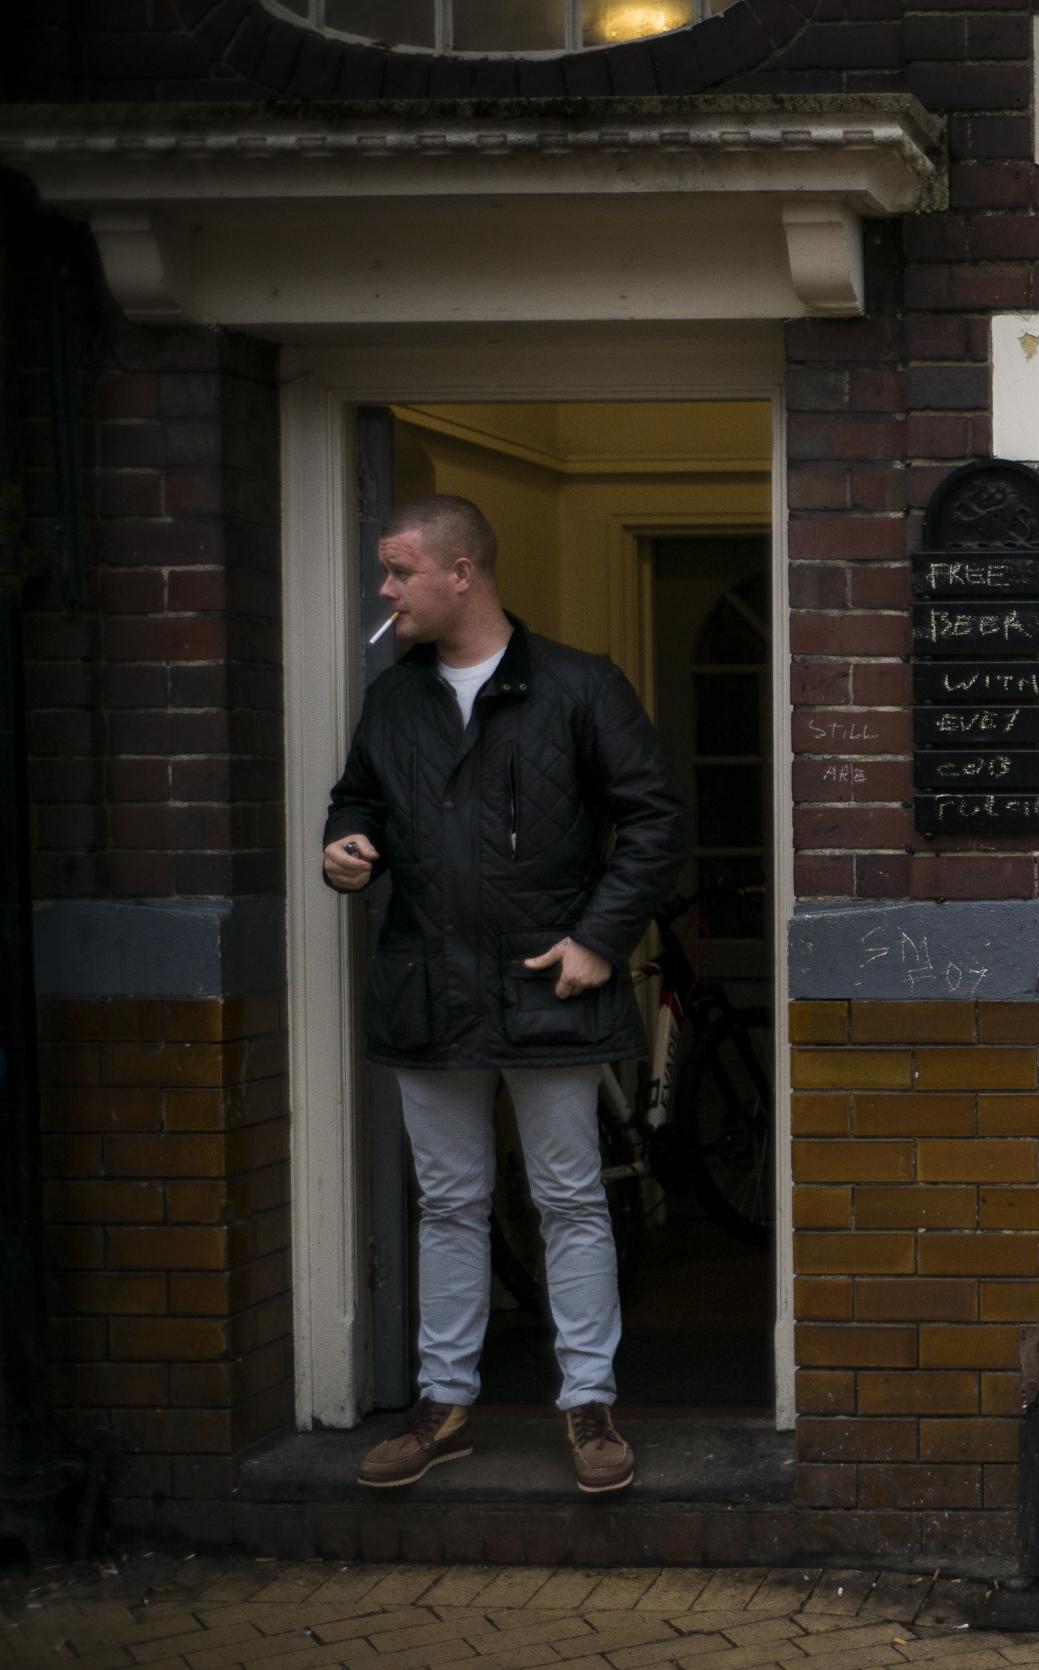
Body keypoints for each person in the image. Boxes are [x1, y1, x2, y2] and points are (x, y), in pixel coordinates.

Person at [322, 494, 689, 1494]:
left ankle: (589, 1403)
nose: (386, 590)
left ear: (461, 574)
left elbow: (653, 822)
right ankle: (442, 1403)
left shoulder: (577, 685)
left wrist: (600, 941)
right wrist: (345, 843)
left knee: (569, 1198)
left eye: (400, 571)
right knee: (448, 1201)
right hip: (427, 988)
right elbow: (357, 792)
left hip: (548, 987)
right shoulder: (393, 697)